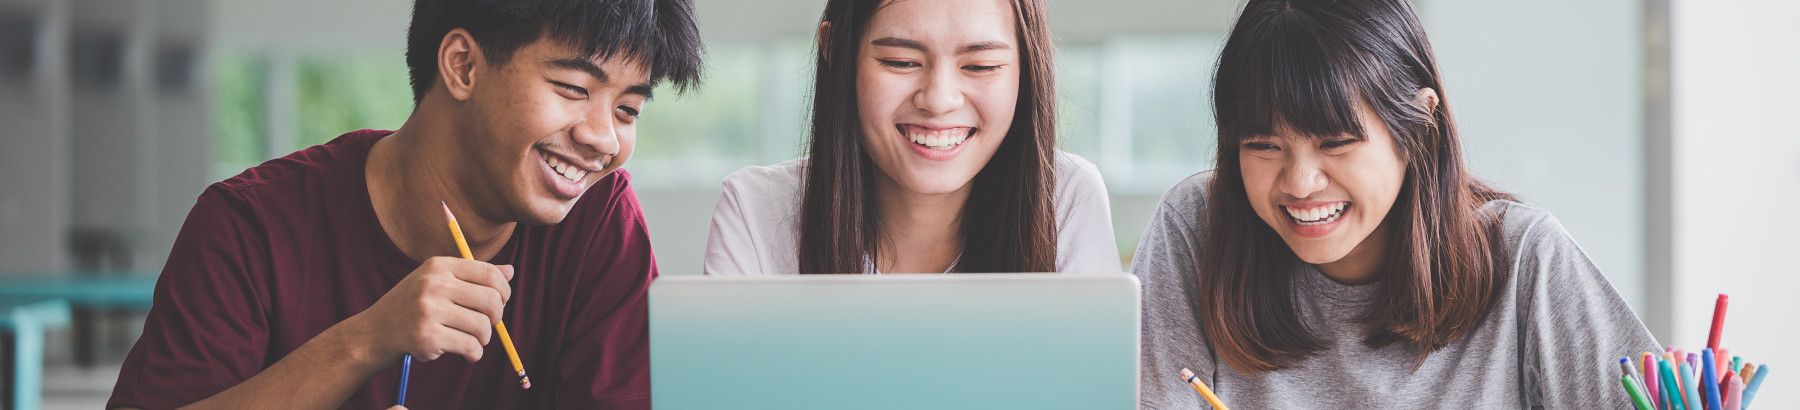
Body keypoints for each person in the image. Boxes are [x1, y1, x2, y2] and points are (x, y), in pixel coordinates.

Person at [106, 0, 702, 408]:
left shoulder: (600, 223)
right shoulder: (250, 224)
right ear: (462, 66)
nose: (604, 138)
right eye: (574, 89)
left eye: (627, 110)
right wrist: (366, 340)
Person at [1132, 0, 1659, 407]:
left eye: (1334, 142)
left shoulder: (1523, 257)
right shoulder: (1198, 228)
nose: (1299, 182)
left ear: (1419, 126)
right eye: (1263, 146)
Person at [703, 0, 1119, 276]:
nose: (939, 100)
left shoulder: (1065, 198)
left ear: (1026, 67)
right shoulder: (755, 209)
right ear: (835, 51)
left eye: (980, 66)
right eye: (901, 62)